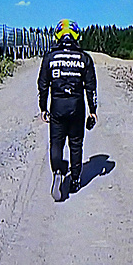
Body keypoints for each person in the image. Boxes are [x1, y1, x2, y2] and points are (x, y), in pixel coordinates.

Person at [38, 19, 98, 201]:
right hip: (77, 106)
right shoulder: (84, 58)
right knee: (76, 143)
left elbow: (42, 85)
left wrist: (43, 107)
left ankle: (57, 169)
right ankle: (75, 180)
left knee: (56, 142)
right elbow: (91, 87)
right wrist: (92, 110)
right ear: (76, 35)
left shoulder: (50, 57)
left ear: (57, 35)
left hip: (57, 106)